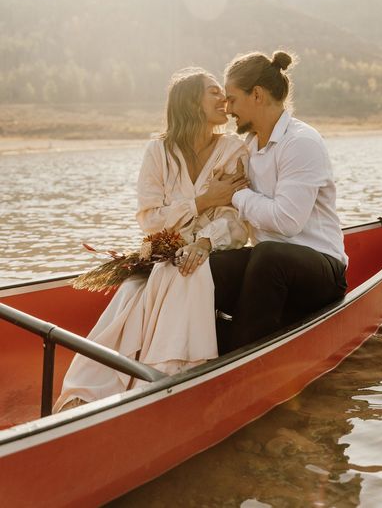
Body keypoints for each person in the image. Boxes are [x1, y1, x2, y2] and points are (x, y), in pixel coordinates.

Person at [54, 68, 249, 412]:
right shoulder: (158, 152)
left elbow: (235, 220)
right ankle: (91, 394)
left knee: (182, 273)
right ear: (191, 103)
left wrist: (202, 242)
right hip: (162, 252)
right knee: (130, 292)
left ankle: (164, 377)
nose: (225, 100)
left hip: (210, 251)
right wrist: (202, 202)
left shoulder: (233, 150)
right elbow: (149, 218)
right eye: (214, 92)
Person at [209, 50, 348, 350]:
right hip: (271, 271)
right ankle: (204, 354)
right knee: (212, 267)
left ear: (256, 95)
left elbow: (287, 222)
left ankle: (240, 358)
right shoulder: (246, 146)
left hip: (322, 272)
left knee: (269, 256)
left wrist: (237, 194)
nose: (227, 108)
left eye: (232, 99)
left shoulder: (300, 143)